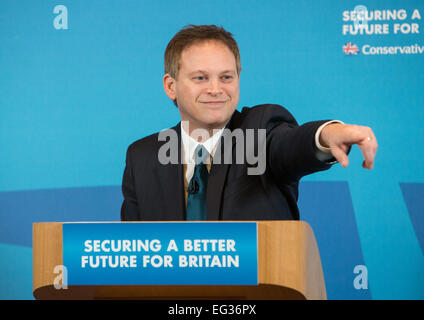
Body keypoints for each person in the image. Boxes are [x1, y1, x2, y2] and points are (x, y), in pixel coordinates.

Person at [120, 25, 377, 221]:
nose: (215, 88)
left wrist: (325, 135)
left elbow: (290, 145)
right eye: (200, 78)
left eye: (226, 77)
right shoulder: (141, 157)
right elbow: (133, 257)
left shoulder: (260, 130)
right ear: (171, 86)